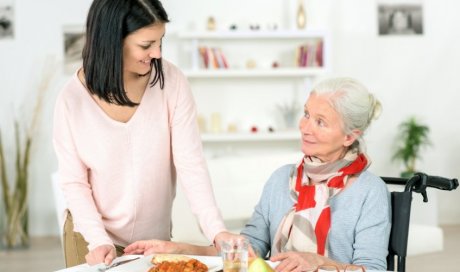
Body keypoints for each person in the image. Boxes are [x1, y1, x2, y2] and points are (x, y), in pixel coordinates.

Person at [125, 77, 391, 272]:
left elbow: (373, 269)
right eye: (306, 114)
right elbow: (246, 251)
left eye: (320, 122)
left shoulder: (369, 191)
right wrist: (180, 250)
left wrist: (320, 262)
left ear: (350, 136)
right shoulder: (281, 179)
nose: (305, 127)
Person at [52, 0, 236, 267]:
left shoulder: (171, 83)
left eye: (161, 41)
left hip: (154, 242)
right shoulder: (71, 101)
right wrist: (97, 239)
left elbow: (190, 164)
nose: (158, 53)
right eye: (146, 45)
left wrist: (216, 231)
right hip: (92, 239)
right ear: (112, 40)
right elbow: (75, 183)